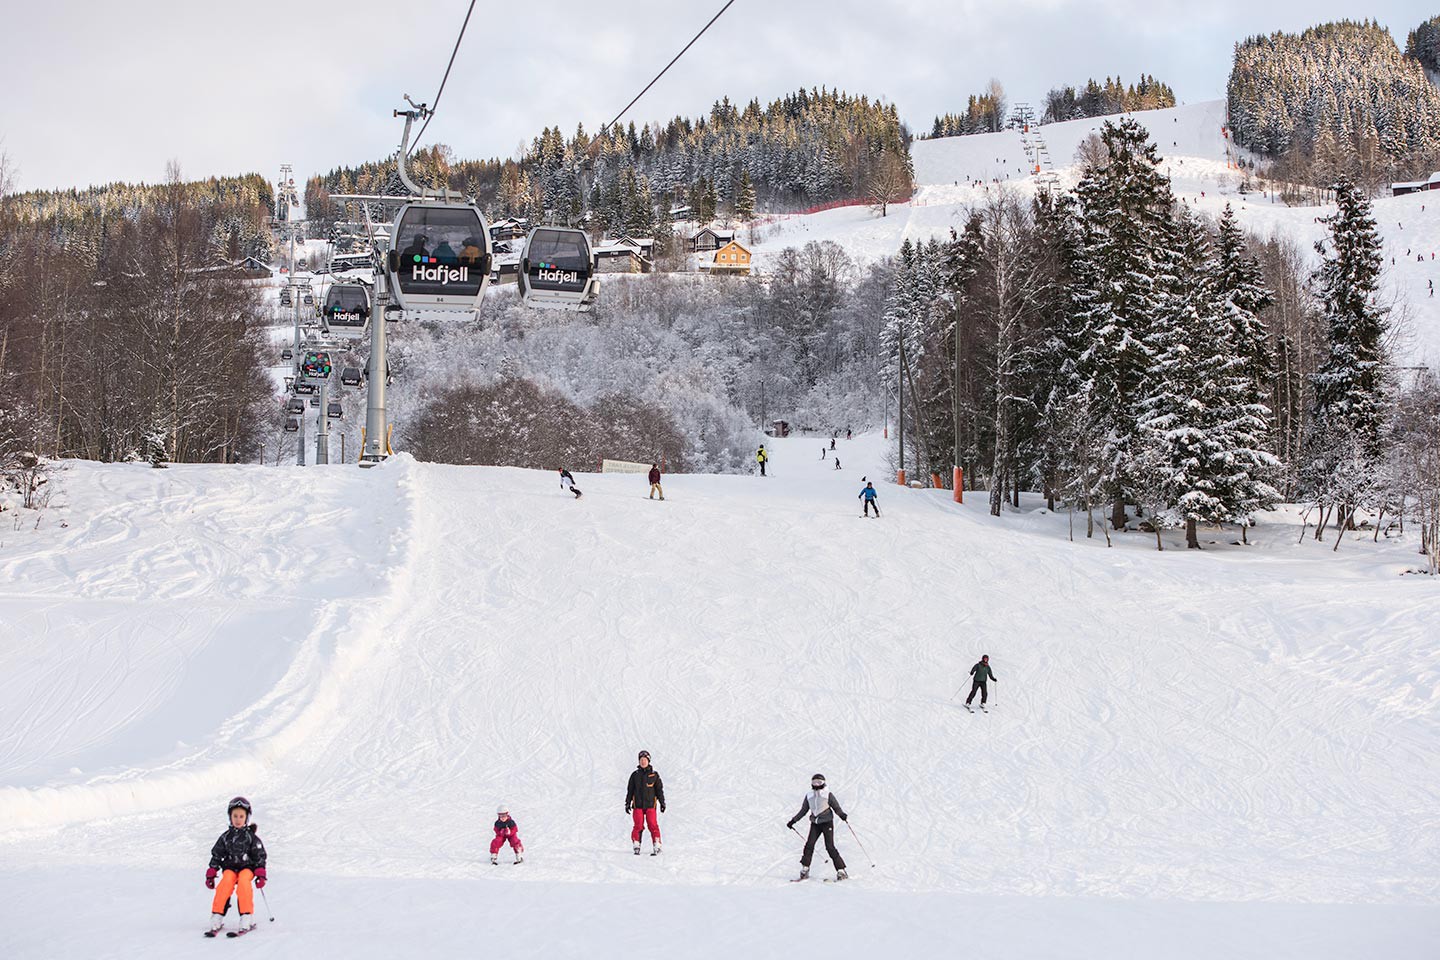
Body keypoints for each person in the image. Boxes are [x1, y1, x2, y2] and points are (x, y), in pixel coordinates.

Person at [204, 797, 267, 937]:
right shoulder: (226, 837)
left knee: (244, 882)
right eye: (235, 816)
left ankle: (246, 917)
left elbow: (259, 855)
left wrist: (260, 872)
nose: (238, 819)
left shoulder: (251, 837)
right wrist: (212, 870)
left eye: (241, 816)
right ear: (230, 817)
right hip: (230, 867)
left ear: (246, 818)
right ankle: (217, 916)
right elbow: (217, 854)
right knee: (225, 882)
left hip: (247, 868)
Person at [785, 773, 848, 882]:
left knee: (830, 846)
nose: (817, 784)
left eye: (819, 782)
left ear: (824, 783)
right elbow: (803, 810)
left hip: (827, 822)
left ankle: (841, 870)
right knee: (809, 845)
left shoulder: (828, 794)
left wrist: (841, 814)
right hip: (815, 823)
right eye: (814, 782)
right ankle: (805, 869)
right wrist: (793, 821)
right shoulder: (809, 795)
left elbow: (836, 807)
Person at [626, 750, 666, 855]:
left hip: (650, 806)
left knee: (653, 825)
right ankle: (636, 844)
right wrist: (627, 803)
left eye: (645, 760)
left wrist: (662, 803)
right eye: (641, 760)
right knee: (638, 825)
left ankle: (657, 844)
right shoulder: (635, 775)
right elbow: (630, 790)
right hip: (637, 805)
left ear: (648, 760)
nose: (643, 762)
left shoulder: (654, 775)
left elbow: (659, 790)